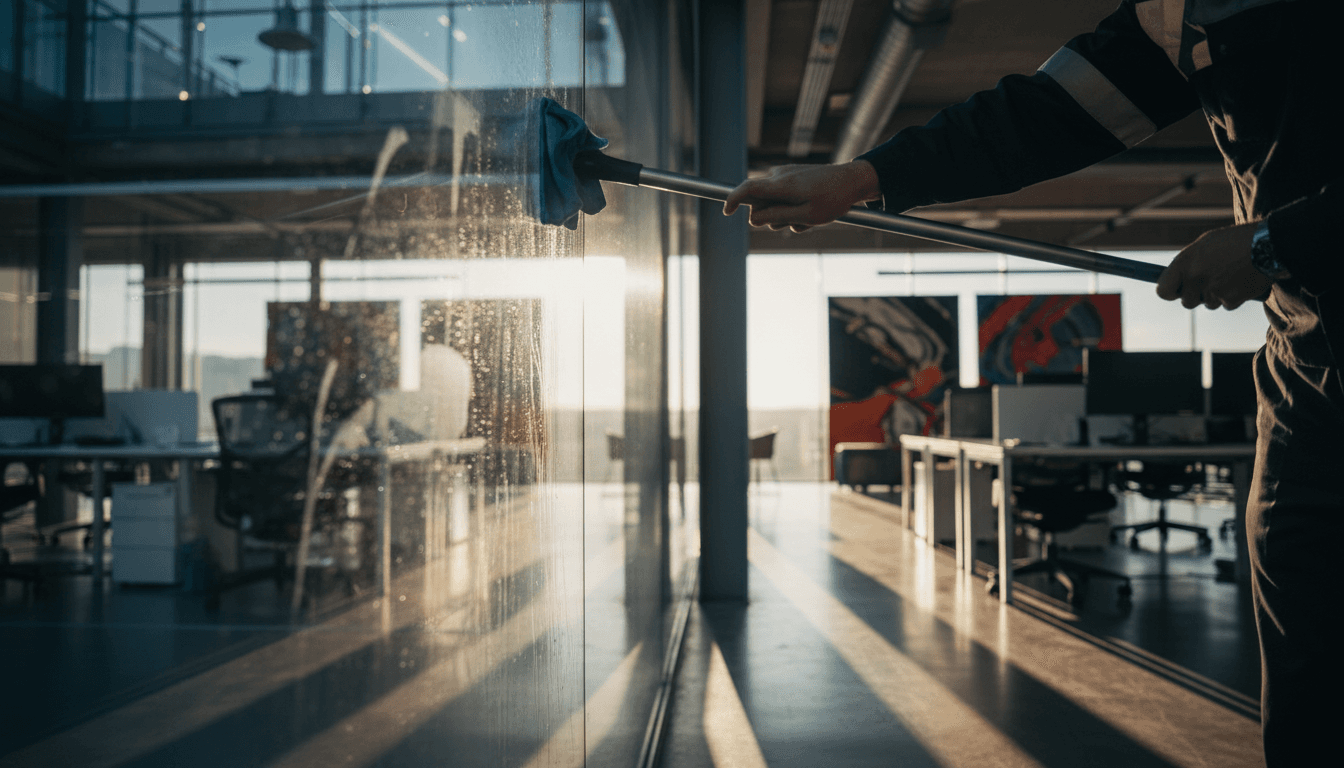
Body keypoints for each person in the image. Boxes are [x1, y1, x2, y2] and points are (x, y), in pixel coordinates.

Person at [723, 1, 1340, 765]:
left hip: (1310, 329)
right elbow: (1047, 114)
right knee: (1314, 687)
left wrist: (1284, 241)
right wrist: (863, 179)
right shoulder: (1179, 12)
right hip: (1310, 374)